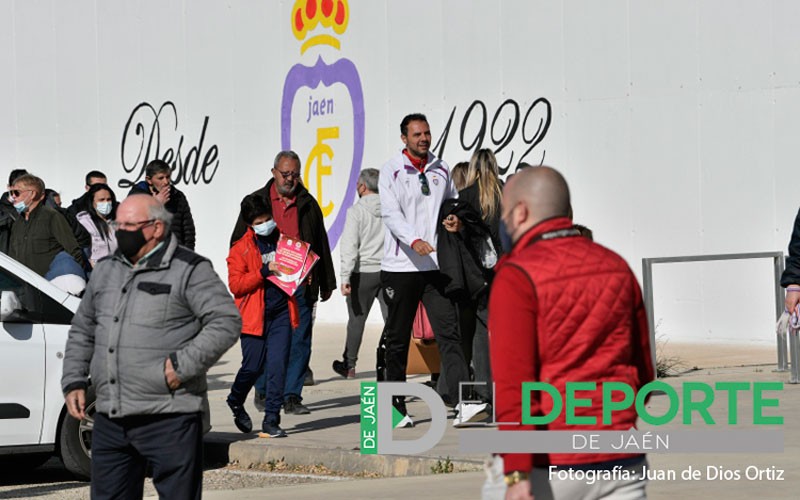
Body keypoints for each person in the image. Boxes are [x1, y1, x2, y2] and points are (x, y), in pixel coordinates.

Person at [488, 167, 654, 499]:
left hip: (550, 464)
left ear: (520, 212)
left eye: (504, 213)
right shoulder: (617, 266)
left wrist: (516, 472)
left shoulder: (517, 276)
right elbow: (645, 375)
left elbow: (514, 388)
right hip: (622, 459)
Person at [61, 194, 240, 500]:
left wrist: (180, 367)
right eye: (118, 223)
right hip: (111, 415)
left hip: (168, 415)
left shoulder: (189, 268)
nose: (121, 230)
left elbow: (225, 321)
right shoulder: (106, 270)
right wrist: (74, 379)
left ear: (156, 228)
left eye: (130, 224)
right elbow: (83, 328)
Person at [379, 113, 487, 428]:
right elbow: (390, 213)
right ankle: (395, 409)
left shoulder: (441, 168)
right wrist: (412, 240)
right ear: (404, 139)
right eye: (417, 134)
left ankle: (464, 402)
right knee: (398, 340)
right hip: (401, 267)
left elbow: (453, 204)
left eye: (427, 133)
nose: (423, 139)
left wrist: (456, 220)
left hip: (435, 266)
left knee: (449, 332)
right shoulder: (392, 171)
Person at [230, 150, 336, 415]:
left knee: (300, 339)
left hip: (300, 284)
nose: (290, 179)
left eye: (295, 174)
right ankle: (264, 391)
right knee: (266, 339)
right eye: (285, 174)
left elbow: (320, 241)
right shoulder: (257, 201)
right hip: (267, 285)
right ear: (274, 172)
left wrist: (326, 282)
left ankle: (292, 396)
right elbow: (237, 242)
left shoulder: (308, 203)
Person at [226, 194, 296, 438]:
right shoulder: (240, 249)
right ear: (250, 225)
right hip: (254, 316)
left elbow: (295, 265)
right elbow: (236, 285)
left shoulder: (284, 241)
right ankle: (236, 399)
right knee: (253, 366)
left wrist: (304, 272)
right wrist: (263, 271)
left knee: (277, 365)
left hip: (281, 313)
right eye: (259, 222)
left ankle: (272, 417)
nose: (265, 224)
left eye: (268, 219)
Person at [441, 148, 503, 416]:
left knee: (480, 335)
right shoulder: (510, 193)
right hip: (507, 271)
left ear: (474, 168)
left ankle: (485, 393)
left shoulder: (466, 197)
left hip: (476, 276)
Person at [332, 168, 388, 378]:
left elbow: (349, 246)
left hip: (362, 273)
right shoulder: (390, 209)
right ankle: (391, 362)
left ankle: (349, 365)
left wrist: (345, 277)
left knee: (356, 320)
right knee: (391, 321)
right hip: (387, 271)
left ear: (362, 187)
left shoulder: (356, 212)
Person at [7, 174, 85, 276]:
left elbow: (74, 251)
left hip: (49, 286)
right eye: (11, 192)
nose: (13, 196)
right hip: (23, 286)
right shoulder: (17, 221)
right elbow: (12, 257)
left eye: (17, 192)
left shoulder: (51, 217)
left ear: (32, 194)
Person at [129, 160, 196, 249]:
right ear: (149, 180)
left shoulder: (178, 196)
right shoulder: (136, 196)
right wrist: (155, 204)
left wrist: (188, 254)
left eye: (168, 177)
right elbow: (132, 226)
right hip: (149, 254)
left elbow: (188, 230)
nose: (166, 182)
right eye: (160, 178)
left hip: (176, 253)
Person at [76, 183, 118, 267]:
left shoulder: (116, 221)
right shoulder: (85, 222)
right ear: (92, 202)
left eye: (109, 199)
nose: (106, 203)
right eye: (101, 200)